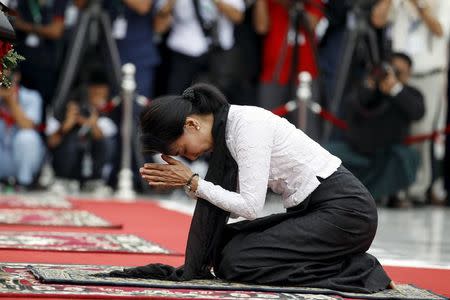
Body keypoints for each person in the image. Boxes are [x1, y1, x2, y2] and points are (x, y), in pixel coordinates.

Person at [128, 83, 393, 292]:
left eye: (183, 150)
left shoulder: (246, 128)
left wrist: (193, 182)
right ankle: (337, 260)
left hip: (347, 212)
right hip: (314, 210)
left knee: (238, 262)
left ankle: (358, 268)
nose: (192, 158)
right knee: (220, 247)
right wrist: (191, 184)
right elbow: (231, 209)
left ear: (192, 124)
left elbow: (250, 208)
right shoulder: (229, 130)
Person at [372, 0, 450, 204]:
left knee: (421, 133)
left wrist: (419, 5)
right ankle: (395, 185)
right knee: (395, 130)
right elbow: (377, 20)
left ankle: (417, 188)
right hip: (400, 75)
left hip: (429, 75)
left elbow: (440, 30)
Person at [326, 53, 425, 207]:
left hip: (388, 153)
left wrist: (395, 89)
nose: (393, 74)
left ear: (408, 74)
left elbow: (417, 112)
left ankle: (390, 194)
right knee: (327, 153)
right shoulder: (369, 87)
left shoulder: (411, 93)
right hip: (358, 151)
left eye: (399, 72)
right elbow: (351, 107)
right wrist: (370, 85)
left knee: (408, 157)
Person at [46, 68, 117, 194]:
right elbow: (51, 143)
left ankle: (95, 182)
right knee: (71, 139)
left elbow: (105, 144)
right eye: (94, 93)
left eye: (101, 95)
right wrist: (66, 126)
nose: (97, 98)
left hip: (91, 170)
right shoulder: (62, 110)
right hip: (67, 169)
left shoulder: (106, 115)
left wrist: (93, 123)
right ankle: (62, 180)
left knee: (105, 142)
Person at [0, 71, 45, 190]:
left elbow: (26, 125)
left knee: (27, 137)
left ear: (17, 76)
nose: (4, 82)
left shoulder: (31, 96)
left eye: (7, 77)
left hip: (21, 160)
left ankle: (24, 184)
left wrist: (10, 100)